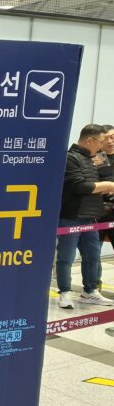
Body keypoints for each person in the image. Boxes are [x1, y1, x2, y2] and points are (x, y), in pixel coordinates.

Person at [57, 124, 114, 310]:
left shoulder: (93, 159)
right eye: (101, 142)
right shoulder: (70, 158)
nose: (102, 146)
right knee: (66, 257)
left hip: (91, 217)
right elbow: (78, 186)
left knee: (92, 256)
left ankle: (90, 291)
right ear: (89, 140)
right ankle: (65, 292)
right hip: (71, 216)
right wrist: (108, 186)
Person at [96, 124, 114, 289]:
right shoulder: (96, 159)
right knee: (94, 253)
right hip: (99, 212)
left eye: (113, 137)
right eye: (106, 138)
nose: (110, 141)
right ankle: (94, 286)